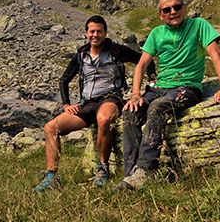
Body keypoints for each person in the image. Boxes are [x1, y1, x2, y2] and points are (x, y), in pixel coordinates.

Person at [111, 0, 220, 192]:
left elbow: (215, 53)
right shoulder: (156, 34)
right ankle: (130, 175)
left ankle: (145, 172)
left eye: (177, 7)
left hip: (187, 87)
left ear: (185, 8)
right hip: (159, 88)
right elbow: (140, 66)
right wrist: (134, 95)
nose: (173, 11)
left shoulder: (198, 25)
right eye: (167, 9)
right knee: (129, 111)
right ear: (160, 14)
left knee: (158, 108)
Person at [32, 15, 156, 193]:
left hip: (111, 98)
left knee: (104, 118)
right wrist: (67, 104)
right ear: (86, 33)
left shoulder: (116, 50)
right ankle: (51, 176)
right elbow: (64, 80)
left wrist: (150, 83)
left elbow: (145, 59)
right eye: (92, 31)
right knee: (51, 128)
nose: (95, 35)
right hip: (87, 104)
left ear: (105, 33)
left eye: (99, 31)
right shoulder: (81, 56)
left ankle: (102, 168)